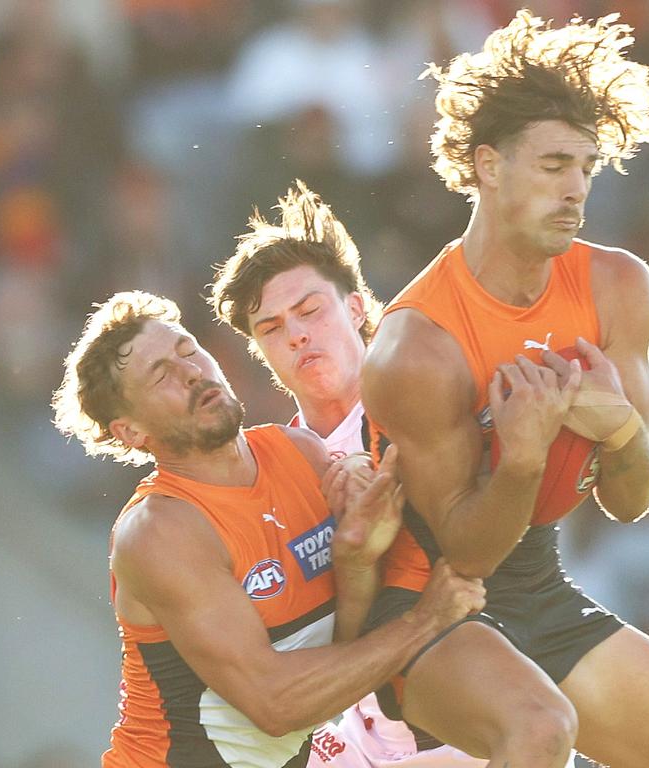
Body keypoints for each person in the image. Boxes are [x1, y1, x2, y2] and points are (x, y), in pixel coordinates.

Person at [352, 11, 649, 768]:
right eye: (555, 165)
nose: (577, 188)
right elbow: (465, 554)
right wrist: (521, 459)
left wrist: (621, 431)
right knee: (539, 730)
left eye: (587, 166)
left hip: (537, 582)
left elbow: (631, 498)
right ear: (489, 166)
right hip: (425, 606)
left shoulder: (620, 285)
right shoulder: (416, 346)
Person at [51, 290, 485, 768]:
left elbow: (343, 654)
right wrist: (426, 620)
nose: (192, 371)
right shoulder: (158, 531)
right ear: (130, 432)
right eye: (161, 375)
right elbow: (276, 705)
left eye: (188, 349)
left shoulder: (302, 453)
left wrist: (357, 558)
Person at [213, 181, 524, 768]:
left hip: (469, 719)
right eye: (271, 328)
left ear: (356, 308)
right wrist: (351, 557)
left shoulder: (423, 401)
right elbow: (312, 645)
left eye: (309, 310)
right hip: (356, 733)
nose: (297, 334)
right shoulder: (272, 469)